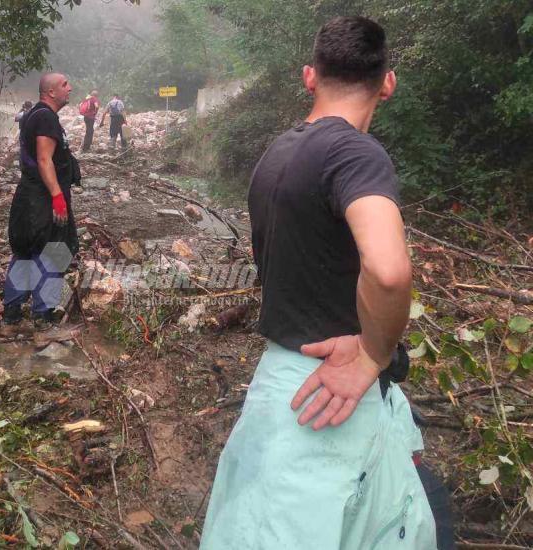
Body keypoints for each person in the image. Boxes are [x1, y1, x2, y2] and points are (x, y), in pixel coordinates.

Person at [200, 17, 439, 550]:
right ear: (387, 83)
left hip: (279, 381)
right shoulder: (356, 153)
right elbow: (389, 268)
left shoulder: (278, 153)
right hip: (332, 396)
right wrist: (376, 353)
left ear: (310, 76)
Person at [2, 73, 80, 329]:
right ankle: (43, 317)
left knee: (25, 250)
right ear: (51, 93)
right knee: (54, 251)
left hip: (28, 197)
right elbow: (45, 160)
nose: (70, 88)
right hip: (44, 199)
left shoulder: (35, 114)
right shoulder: (46, 117)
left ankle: (12, 314)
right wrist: (58, 197)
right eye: (64, 84)